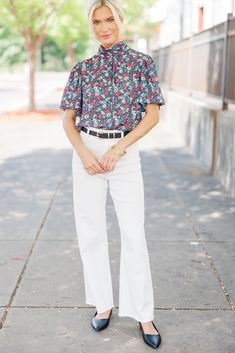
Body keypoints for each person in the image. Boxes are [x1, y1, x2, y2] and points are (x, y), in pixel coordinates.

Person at [59, 0, 165, 349]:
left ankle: (143, 313)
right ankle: (103, 304)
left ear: (120, 20)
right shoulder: (82, 69)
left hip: (124, 153)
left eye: (109, 20)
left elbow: (151, 116)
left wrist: (119, 149)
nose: (104, 27)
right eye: (97, 22)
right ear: (91, 27)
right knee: (90, 231)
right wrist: (84, 153)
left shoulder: (141, 64)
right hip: (87, 153)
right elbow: (68, 119)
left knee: (133, 232)